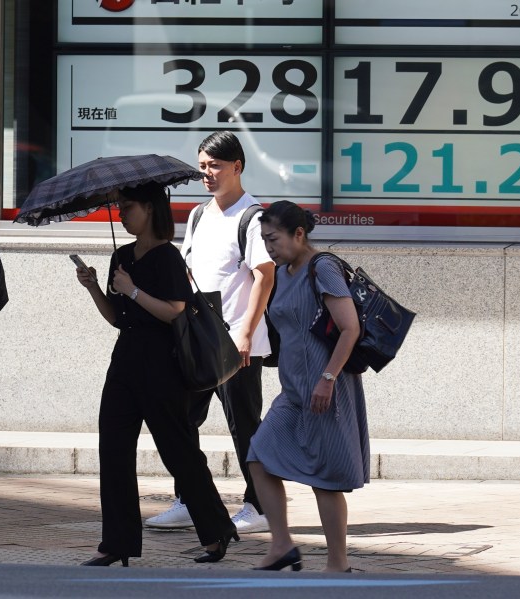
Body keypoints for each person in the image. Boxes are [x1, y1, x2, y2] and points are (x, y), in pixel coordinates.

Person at [76, 182, 237, 567]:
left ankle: (217, 531)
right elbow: (118, 318)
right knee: (113, 448)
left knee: (177, 450)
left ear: (150, 208)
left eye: (127, 206)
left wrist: (132, 291)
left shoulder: (166, 256)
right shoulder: (122, 255)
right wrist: (95, 288)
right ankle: (117, 544)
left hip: (163, 364)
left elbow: (175, 310)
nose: (121, 212)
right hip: (126, 360)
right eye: (119, 207)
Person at [146, 131, 275, 534]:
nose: (208, 173)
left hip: (236, 342)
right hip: (199, 340)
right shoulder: (200, 214)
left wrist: (247, 334)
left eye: (215, 165)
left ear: (238, 166)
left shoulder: (253, 218)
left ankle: (259, 506)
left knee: (244, 424)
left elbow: (264, 278)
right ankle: (188, 497)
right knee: (183, 420)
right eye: (202, 166)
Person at [248, 201, 369, 573]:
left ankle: (338, 564)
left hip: (326, 387)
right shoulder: (282, 273)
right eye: (264, 240)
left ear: (299, 234)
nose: (270, 248)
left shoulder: (324, 268)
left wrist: (328, 379)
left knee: (326, 479)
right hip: (294, 390)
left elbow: (350, 328)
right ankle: (282, 544)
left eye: (274, 239)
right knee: (259, 455)